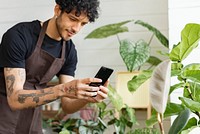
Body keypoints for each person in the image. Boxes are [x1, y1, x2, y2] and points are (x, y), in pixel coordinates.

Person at [0, 0, 109, 133]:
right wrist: (63, 89)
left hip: (32, 122)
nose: (76, 28)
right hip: (3, 117)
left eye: (83, 23)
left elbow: (67, 105)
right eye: (72, 19)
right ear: (57, 10)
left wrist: (87, 98)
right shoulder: (20, 36)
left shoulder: (69, 51)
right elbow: (14, 99)